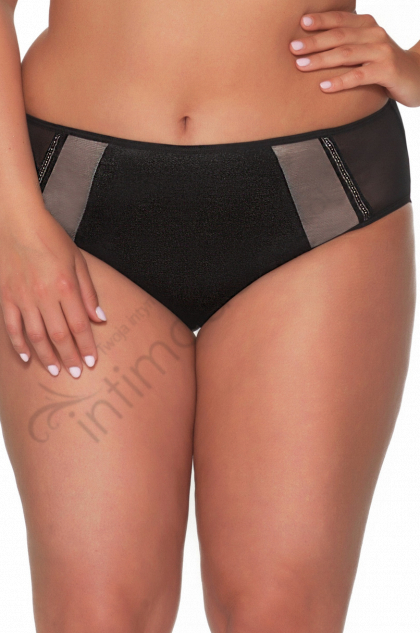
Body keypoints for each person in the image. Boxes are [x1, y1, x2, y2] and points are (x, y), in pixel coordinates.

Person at [0, 0, 418, 631]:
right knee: (95, 615)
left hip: (320, 198)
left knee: (278, 613)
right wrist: (16, 228)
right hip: (68, 216)